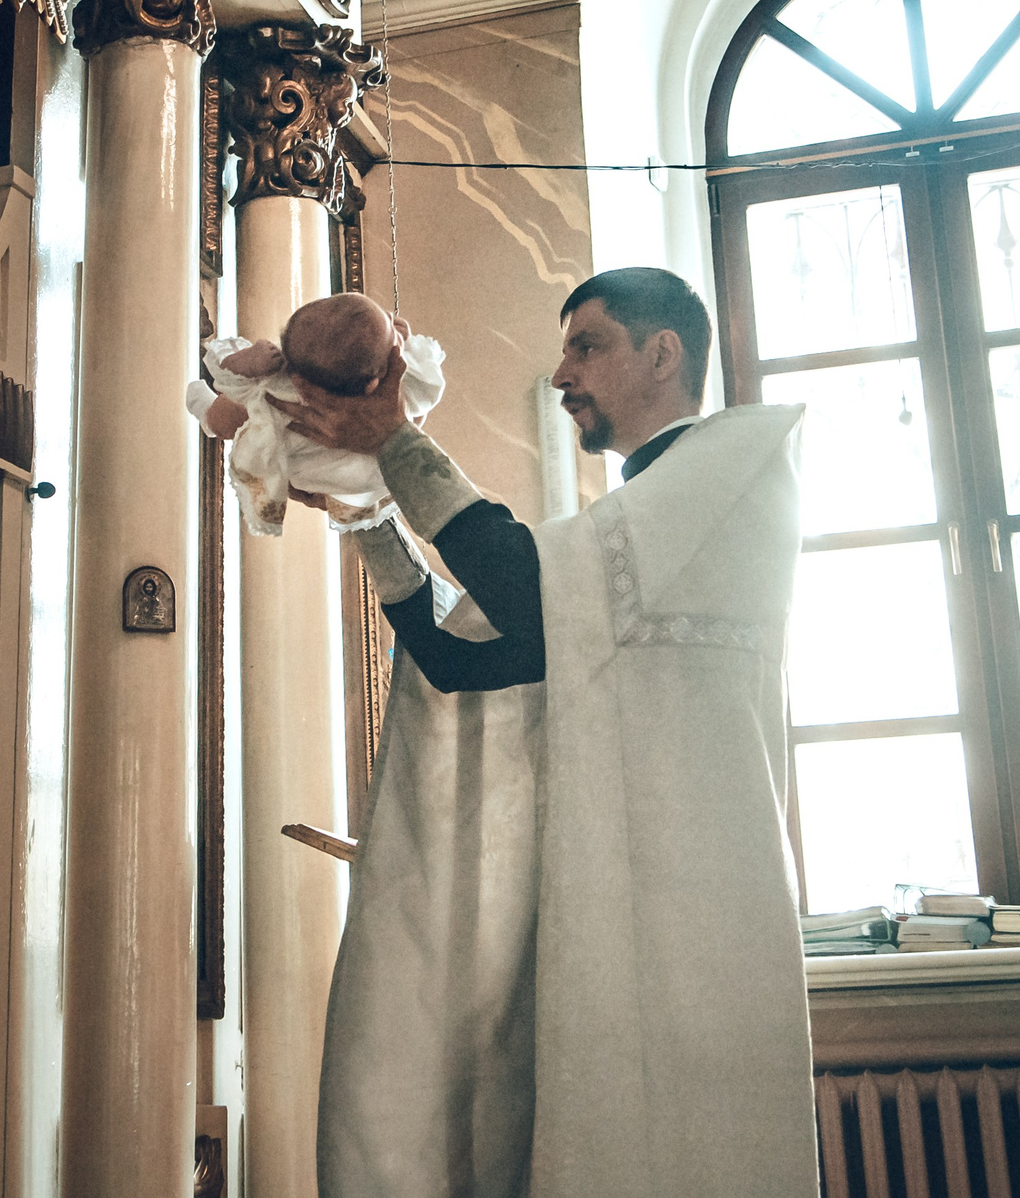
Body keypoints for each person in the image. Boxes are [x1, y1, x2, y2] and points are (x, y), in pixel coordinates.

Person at [280, 267, 817, 1198]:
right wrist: (368, 514)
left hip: (698, 918)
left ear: (664, 354)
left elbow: (524, 588)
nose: (562, 373)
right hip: (618, 905)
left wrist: (398, 444)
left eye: (588, 345)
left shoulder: (730, 470)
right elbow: (466, 660)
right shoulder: (640, 524)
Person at [186, 291, 444, 536]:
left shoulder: (289, 387)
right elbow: (428, 389)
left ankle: (206, 413)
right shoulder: (401, 378)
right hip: (352, 480)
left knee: (228, 417)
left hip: (320, 463)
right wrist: (407, 343)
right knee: (412, 416)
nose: (393, 319)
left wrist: (248, 363)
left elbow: (233, 384)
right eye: (388, 321)